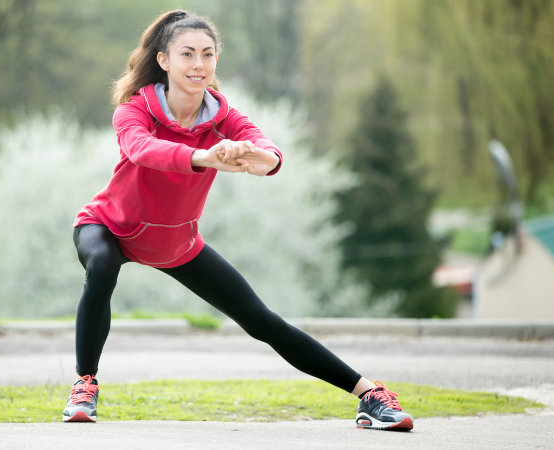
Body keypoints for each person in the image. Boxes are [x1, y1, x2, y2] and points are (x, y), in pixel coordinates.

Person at [62, 10, 413, 431]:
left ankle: (369, 395)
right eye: (187, 54)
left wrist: (262, 160)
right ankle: (85, 386)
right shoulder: (134, 111)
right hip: (110, 228)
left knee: (261, 320)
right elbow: (142, 150)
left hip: (176, 243)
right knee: (100, 266)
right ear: (164, 61)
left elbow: (267, 151)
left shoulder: (224, 116)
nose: (198, 64)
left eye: (207, 54)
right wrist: (202, 157)